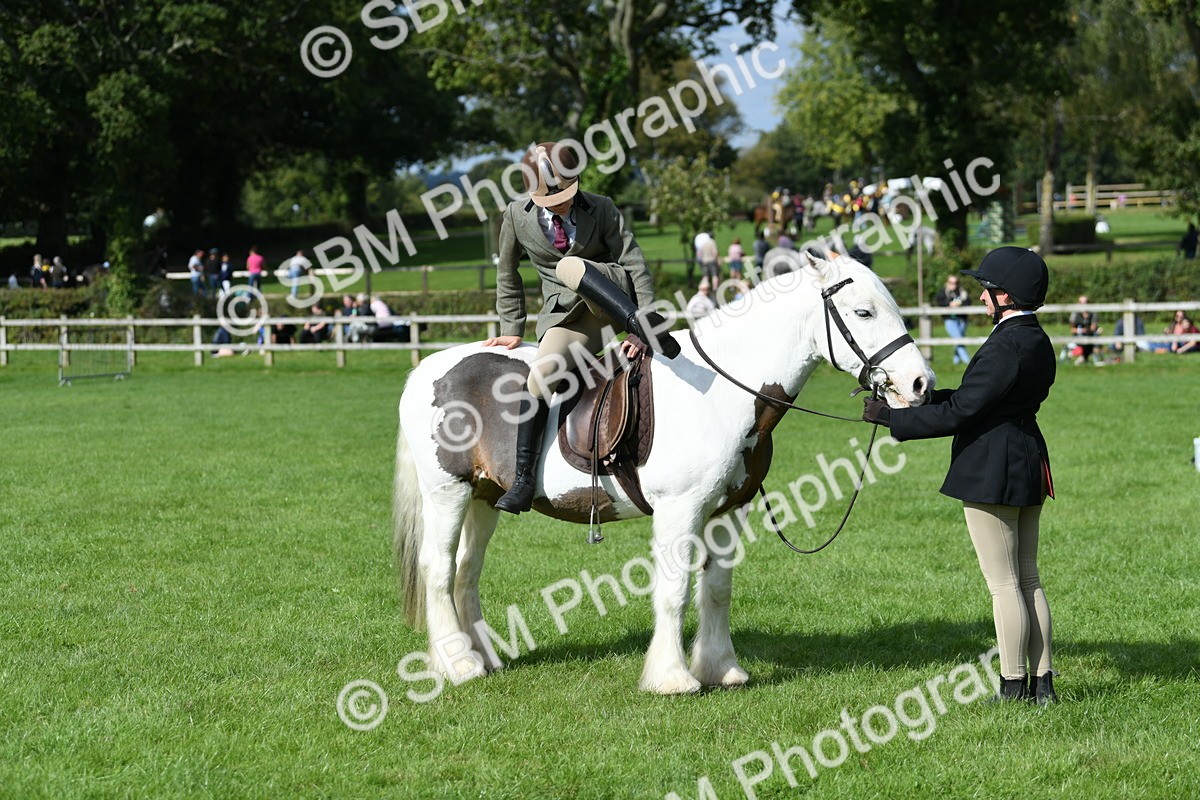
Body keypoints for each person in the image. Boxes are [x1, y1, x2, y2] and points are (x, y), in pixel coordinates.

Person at [863, 246, 1059, 704]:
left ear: (1005, 296)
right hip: (1027, 457)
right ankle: (1043, 683)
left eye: (987, 290)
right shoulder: (1037, 340)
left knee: (1004, 584)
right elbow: (979, 398)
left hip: (993, 466)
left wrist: (891, 420)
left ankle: (1012, 686)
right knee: (1029, 579)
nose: (982, 298)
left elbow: (964, 413)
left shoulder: (1003, 345)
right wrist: (919, 401)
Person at [483, 140, 678, 514]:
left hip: (614, 300)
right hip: (571, 318)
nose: (561, 204)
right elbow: (507, 273)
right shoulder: (515, 216)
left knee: (571, 266)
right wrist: (512, 325)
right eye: (550, 200)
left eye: (566, 194)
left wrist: (641, 324)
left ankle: (645, 324)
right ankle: (524, 480)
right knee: (539, 378)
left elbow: (633, 262)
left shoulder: (602, 206)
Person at [935, 274, 972, 365]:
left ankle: (956, 362)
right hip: (949, 320)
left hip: (962, 320)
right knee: (959, 340)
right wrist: (950, 304)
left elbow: (968, 302)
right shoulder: (943, 292)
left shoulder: (962, 292)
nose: (953, 284)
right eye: (951, 282)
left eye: (955, 283)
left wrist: (959, 303)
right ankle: (968, 362)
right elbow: (939, 302)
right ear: (947, 283)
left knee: (958, 340)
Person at [1068, 295, 1100, 365]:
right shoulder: (1075, 314)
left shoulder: (1092, 313)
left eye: (1085, 302)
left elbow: (1093, 328)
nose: (1083, 304)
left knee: (1095, 335)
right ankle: (1083, 357)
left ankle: (1088, 358)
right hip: (1078, 335)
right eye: (1081, 302)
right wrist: (1082, 330)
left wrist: (1087, 330)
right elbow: (1072, 329)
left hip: (1090, 334)